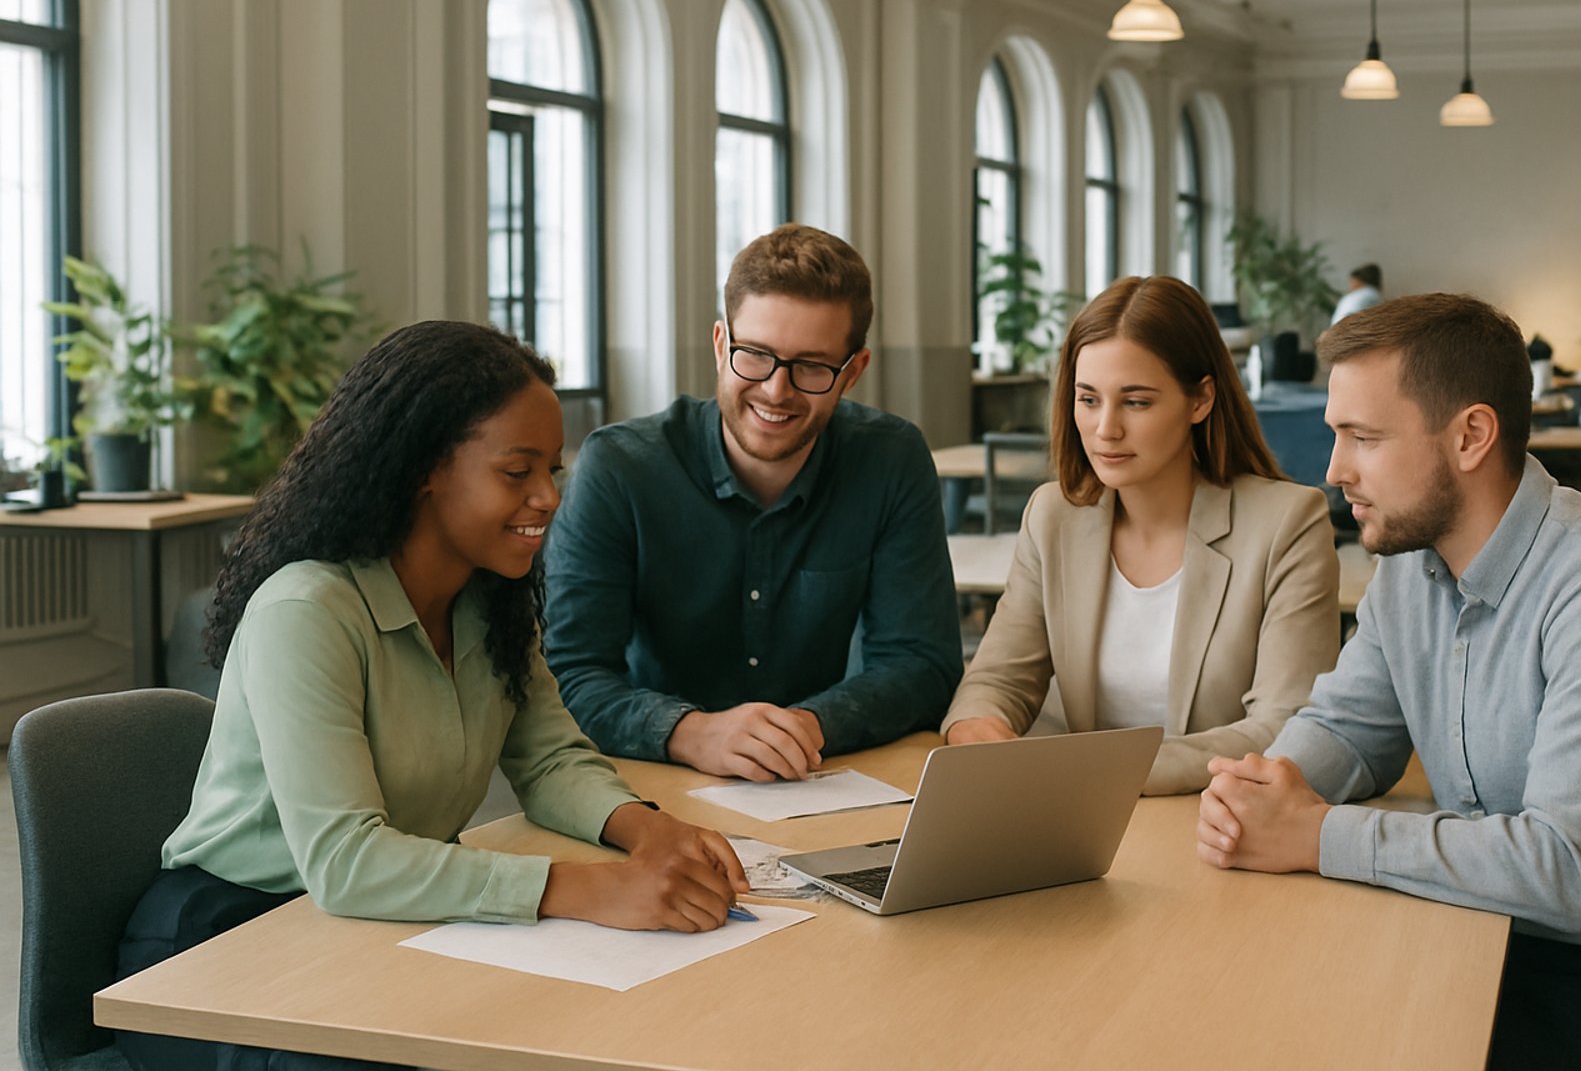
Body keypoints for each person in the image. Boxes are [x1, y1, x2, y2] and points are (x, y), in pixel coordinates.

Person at [117, 321, 749, 1071]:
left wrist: (647, 831)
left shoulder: (490, 603)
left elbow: (550, 762)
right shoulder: (308, 610)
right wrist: (590, 888)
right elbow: (346, 861)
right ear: (423, 468)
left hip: (379, 921)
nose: (547, 497)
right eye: (517, 472)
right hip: (225, 938)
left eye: (552, 468)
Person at [1194, 294, 1581, 1071]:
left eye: (1362, 437)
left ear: (1472, 434)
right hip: (1498, 932)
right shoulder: (1408, 572)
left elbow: (1566, 870)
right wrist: (1263, 789)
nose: (1333, 469)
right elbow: (1347, 729)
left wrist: (1314, 833)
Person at [543, 226, 962, 780]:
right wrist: (689, 731)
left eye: (812, 367)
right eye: (755, 355)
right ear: (722, 345)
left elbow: (923, 663)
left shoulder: (891, 459)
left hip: (820, 774)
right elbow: (567, 674)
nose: (775, 391)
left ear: (853, 372)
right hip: (654, 782)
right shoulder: (620, 467)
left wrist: (805, 728)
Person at [943, 276, 1340, 794]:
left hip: (1215, 825)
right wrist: (979, 730)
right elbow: (995, 681)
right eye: (1088, 399)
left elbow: (1284, 728)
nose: (1106, 428)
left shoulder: (1288, 523)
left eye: (1136, 402)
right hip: (1076, 826)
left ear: (1200, 400)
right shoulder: (1053, 517)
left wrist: (1093, 771)